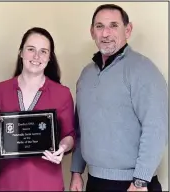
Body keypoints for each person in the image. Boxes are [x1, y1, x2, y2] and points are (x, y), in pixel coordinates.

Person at [70, 4, 168, 192]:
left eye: (113, 25)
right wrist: (76, 171)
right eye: (99, 26)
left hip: (134, 184)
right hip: (94, 181)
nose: (106, 33)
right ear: (92, 32)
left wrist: (140, 181)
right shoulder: (86, 74)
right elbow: (81, 128)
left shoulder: (144, 71)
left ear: (128, 29)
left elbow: (156, 129)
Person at [0, 27, 76, 191]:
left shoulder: (62, 94)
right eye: (31, 49)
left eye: (43, 51)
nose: (36, 56)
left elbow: (69, 135)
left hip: (47, 183)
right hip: (8, 183)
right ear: (21, 52)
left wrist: (62, 149)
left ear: (50, 57)